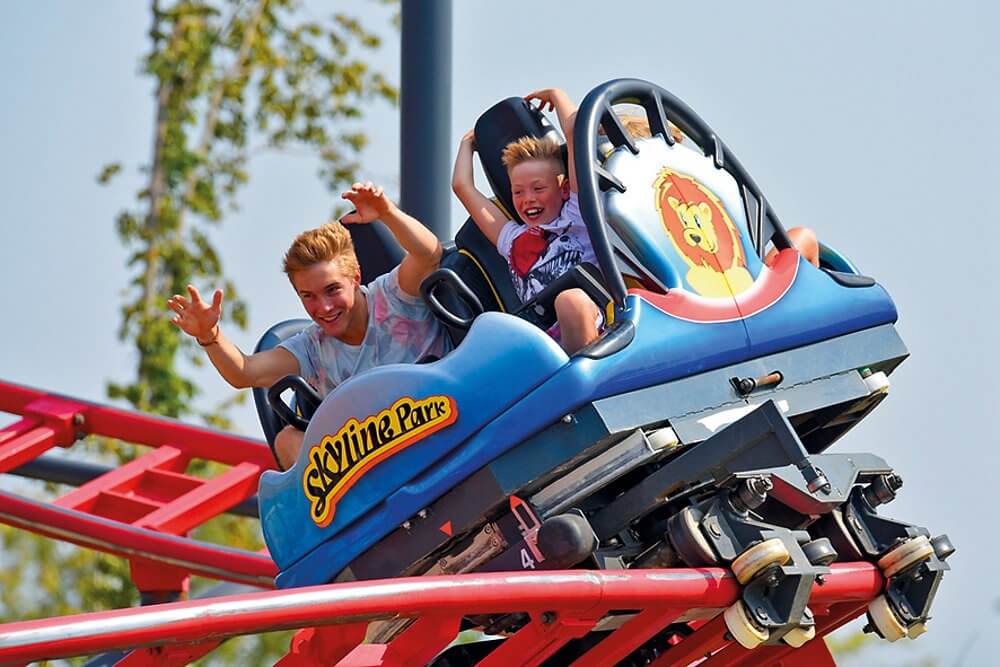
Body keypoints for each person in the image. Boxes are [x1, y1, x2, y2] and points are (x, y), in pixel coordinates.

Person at [167, 182, 451, 469]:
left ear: (355, 278)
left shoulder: (392, 296)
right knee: (288, 440)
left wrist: (388, 212)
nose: (324, 308)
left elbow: (429, 254)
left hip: (446, 422)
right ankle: (351, 512)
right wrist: (210, 336)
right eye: (309, 296)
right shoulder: (311, 347)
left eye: (332, 290)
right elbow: (245, 372)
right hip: (380, 467)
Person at [452, 88, 602, 354]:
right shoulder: (513, 239)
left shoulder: (576, 214)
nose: (528, 199)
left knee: (570, 301)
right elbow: (462, 186)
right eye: (518, 192)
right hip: (541, 342)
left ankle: (584, 378)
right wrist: (468, 144)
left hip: (591, 320)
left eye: (538, 188)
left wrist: (556, 95)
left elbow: (577, 133)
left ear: (563, 189)